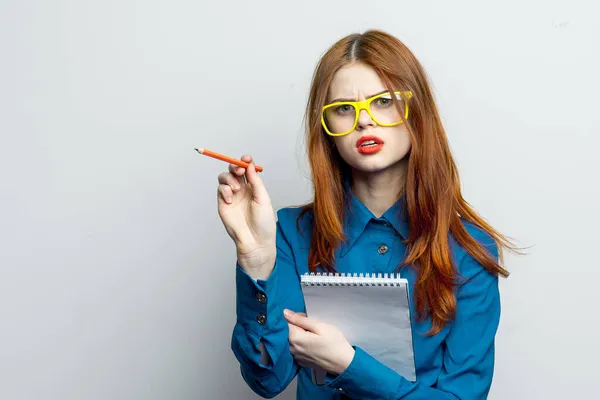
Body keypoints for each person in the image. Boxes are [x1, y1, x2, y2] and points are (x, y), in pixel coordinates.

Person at [216, 29, 514, 399]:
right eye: (343, 108)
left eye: (383, 101)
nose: (363, 121)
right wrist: (256, 257)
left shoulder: (469, 251)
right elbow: (267, 378)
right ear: (326, 130)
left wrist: (349, 366)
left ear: (416, 111)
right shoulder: (293, 234)